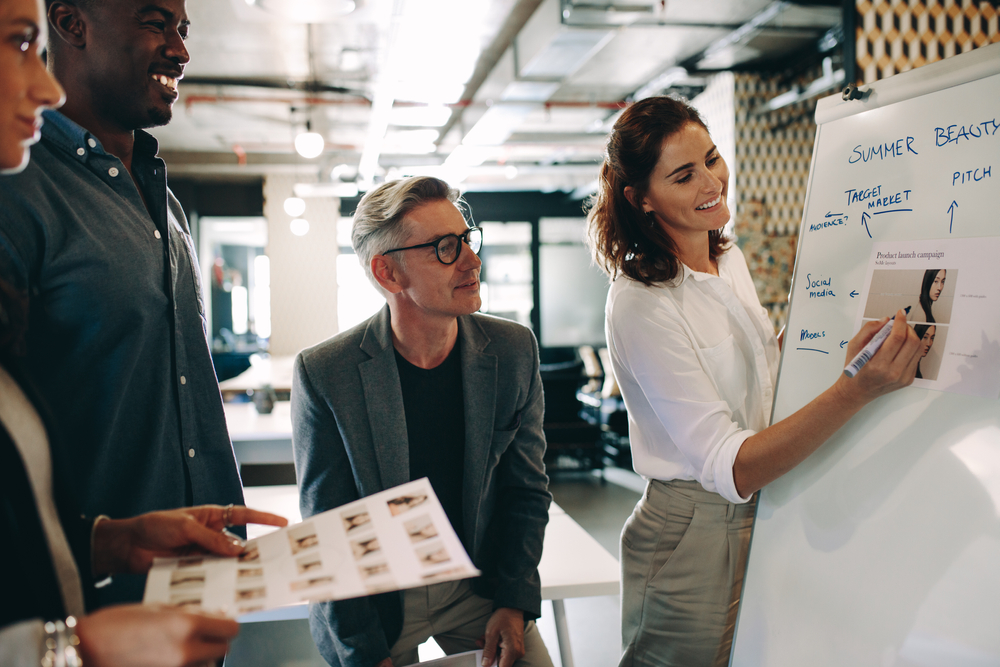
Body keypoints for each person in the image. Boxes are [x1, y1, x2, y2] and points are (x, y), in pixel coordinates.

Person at [585, 96, 923, 667]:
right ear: (640, 198)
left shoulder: (728, 256)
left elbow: (764, 371)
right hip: (692, 528)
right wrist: (855, 388)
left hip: (766, 502)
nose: (712, 181)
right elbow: (729, 464)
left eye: (712, 159)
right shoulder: (641, 303)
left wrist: (824, 335)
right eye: (684, 175)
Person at [0, 5, 288, 662]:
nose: (180, 51)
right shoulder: (17, 195)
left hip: (192, 583)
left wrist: (121, 536)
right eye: (156, 22)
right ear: (71, 24)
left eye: (184, 30)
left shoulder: (165, 202)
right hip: (81, 619)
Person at [292, 176, 553, 667]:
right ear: (388, 273)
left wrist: (514, 602)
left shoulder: (513, 351)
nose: (473, 261)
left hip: (477, 584)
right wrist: (364, 653)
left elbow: (526, 490)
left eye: (467, 240)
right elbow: (329, 532)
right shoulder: (327, 373)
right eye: (445, 248)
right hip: (380, 597)